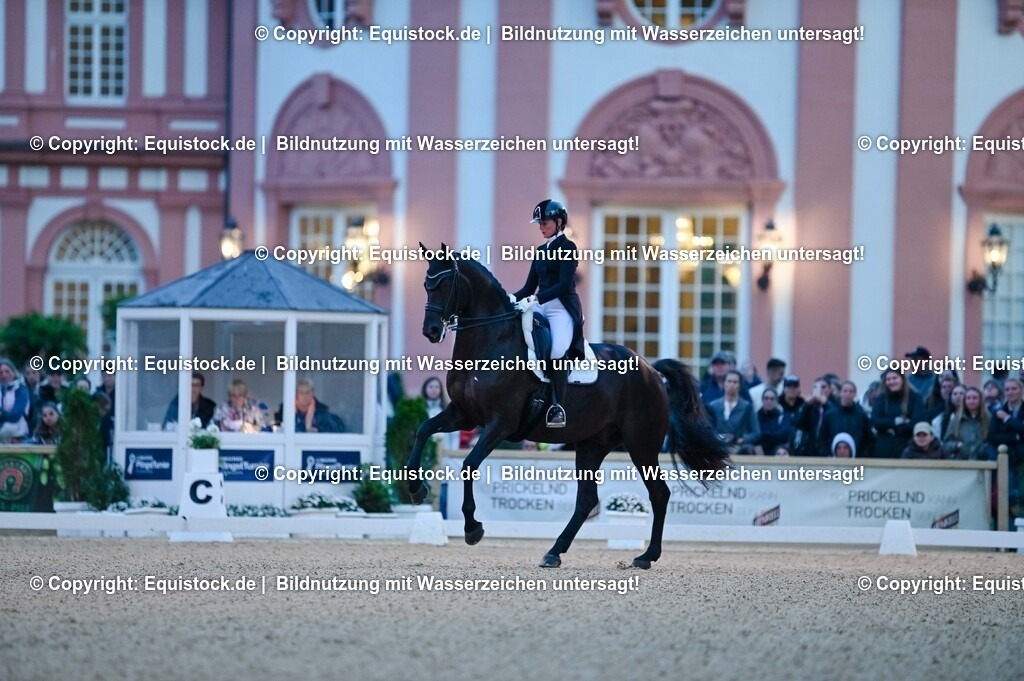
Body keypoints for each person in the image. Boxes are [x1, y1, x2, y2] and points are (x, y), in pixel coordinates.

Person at [512, 199, 584, 428]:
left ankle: (558, 407)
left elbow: (564, 284)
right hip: (541, 304)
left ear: (559, 222)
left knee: (557, 350)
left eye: (544, 223)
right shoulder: (540, 251)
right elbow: (527, 288)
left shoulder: (568, 247)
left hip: (561, 307)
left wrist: (536, 299)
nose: (541, 227)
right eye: (539, 224)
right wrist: (509, 299)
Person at [989, 378, 1024, 524]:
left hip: (1022, 461)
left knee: (1021, 497)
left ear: (1020, 390)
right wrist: (1016, 436)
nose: (1010, 392)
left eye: (1014, 388)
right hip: (1007, 461)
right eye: (1008, 389)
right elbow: (992, 437)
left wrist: (1008, 419)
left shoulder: (1003, 414)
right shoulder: (998, 412)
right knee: (1007, 498)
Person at [871, 369, 925, 458]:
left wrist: (889, 427)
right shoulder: (881, 399)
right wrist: (896, 422)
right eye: (888, 379)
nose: (891, 382)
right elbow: (875, 421)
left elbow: (917, 422)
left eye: (894, 378)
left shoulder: (915, 398)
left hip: (906, 448)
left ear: (902, 379)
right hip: (883, 450)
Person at [707, 370, 759, 455]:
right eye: (729, 381)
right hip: (718, 448)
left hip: (740, 449)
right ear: (724, 384)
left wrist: (742, 439)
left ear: (740, 385)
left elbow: (756, 432)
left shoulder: (747, 407)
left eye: (735, 382)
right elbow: (708, 430)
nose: (732, 385)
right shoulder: (713, 406)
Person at [821, 381, 874, 457]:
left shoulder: (861, 416)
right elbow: (822, 438)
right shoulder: (830, 415)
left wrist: (862, 456)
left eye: (851, 391)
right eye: (845, 391)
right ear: (840, 393)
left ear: (855, 394)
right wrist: (827, 455)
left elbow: (869, 440)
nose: (847, 394)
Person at [277, 378, 344, 433]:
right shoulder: (286, 410)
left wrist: (318, 431)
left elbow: (333, 430)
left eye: (307, 393)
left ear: (312, 393)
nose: (304, 396)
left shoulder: (321, 411)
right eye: (302, 393)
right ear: (297, 394)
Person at [943, 387, 990, 461]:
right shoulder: (957, 419)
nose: (971, 401)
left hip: (982, 461)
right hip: (961, 461)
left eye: (975, 398)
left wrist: (983, 448)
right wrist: (956, 445)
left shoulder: (988, 419)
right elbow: (945, 444)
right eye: (968, 398)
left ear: (980, 400)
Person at [793, 377, 833, 456]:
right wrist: (807, 405)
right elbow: (798, 424)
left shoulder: (833, 405)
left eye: (823, 387)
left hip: (828, 450)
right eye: (816, 387)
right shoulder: (808, 407)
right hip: (810, 450)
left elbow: (834, 420)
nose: (820, 390)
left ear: (830, 390)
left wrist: (826, 404)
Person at [0, 359, 31, 442]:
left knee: (7, 430)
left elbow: (15, 416)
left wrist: (2, 413)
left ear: (13, 372)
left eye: (7, 371)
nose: (4, 375)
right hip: (2, 427)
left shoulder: (21, 390)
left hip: (17, 430)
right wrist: (5, 412)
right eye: (1, 373)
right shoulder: (1, 390)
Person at [755, 388, 793, 456]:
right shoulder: (756, 417)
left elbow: (782, 435)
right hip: (759, 449)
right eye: (766, 398)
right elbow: (753, 435)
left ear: (776, 401)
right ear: (762, 400)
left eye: (772, 399)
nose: (769, 401)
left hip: (776, 449)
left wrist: (762, 435)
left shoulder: (782, 417)